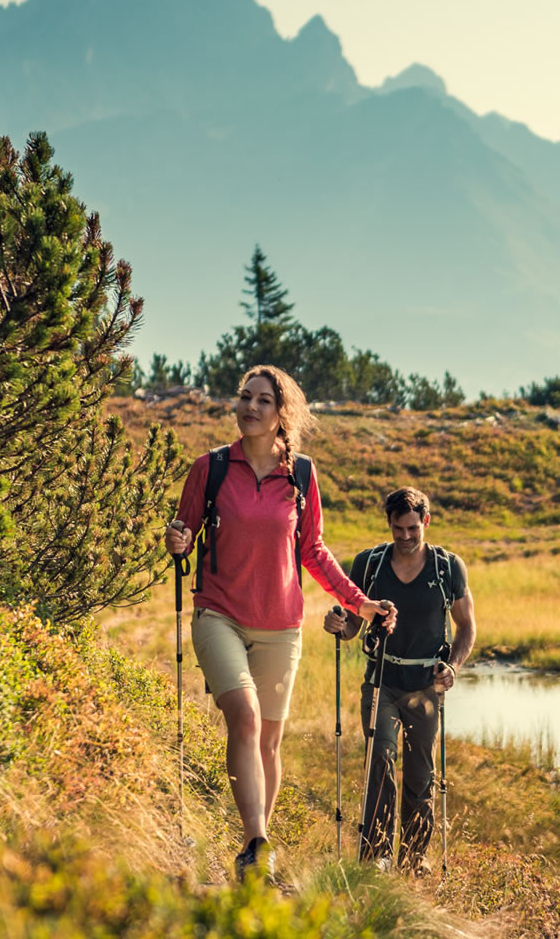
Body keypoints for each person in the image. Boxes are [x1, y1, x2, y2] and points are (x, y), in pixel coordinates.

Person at [165, 365, 396, 880]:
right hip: (218, 613)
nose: (249, 407)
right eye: (244, 397)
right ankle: (257, 841)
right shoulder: (211, 468)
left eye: (262, 400)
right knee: (244, 717)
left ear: (281, 412)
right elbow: (183, 529)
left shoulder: (302, 476)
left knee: (268, 742)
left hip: (281, 624)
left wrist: (361, 604)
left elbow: (313, 550)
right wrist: (176, 539)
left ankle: (256, 857)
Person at [323, 486, 477, 875]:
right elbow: (353, 626)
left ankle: (413, 858)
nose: (406, 537)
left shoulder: (447, 567)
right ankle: (376, 858)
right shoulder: (369, 564)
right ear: (388, 524)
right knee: (381, 761)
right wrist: (339, 626)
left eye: (412, 529)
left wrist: (453, 667)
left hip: (426, 686)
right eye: (398, 529)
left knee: (422, 775)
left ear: (426, 522)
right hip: (382, 681)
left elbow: (466, 627)